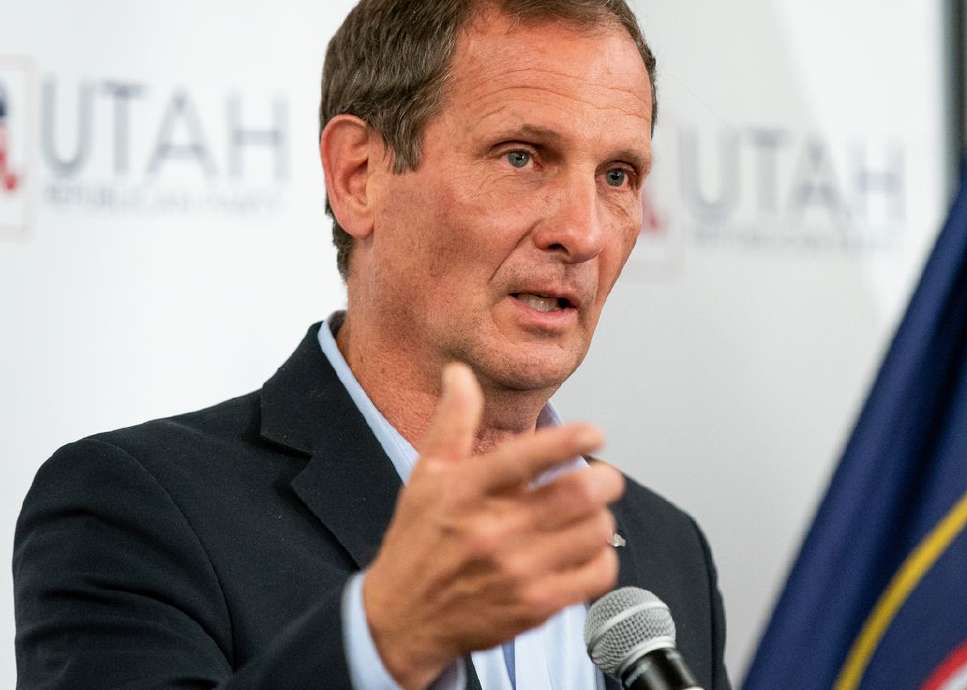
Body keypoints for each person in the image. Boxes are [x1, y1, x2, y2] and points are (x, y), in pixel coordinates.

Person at [13, 1, 733, 689]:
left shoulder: (667, 549)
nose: (583, 233)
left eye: (617, 175)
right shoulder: (132, 510)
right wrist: (382, 642)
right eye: (522, 157)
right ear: (358, 176)